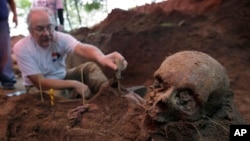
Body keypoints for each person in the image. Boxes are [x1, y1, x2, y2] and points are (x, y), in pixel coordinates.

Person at [13, 7, 127, 99]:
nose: (46, 33)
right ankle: (86, 100)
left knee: (89, 68)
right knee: (54, 96)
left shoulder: (60, 38)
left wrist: (101, 57)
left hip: (63, 77)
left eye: (49, 27)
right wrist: (74, 84)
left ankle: (109, 93)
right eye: (40, 29)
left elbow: (82, 48)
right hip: (38, 88)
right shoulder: (22, 48)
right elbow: (40, 83)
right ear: (30, 31)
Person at [0, 0, 18, 90]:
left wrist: (15, 15)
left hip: (2, 20)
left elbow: (11, 1)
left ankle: (8, 81)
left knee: (4, 51)